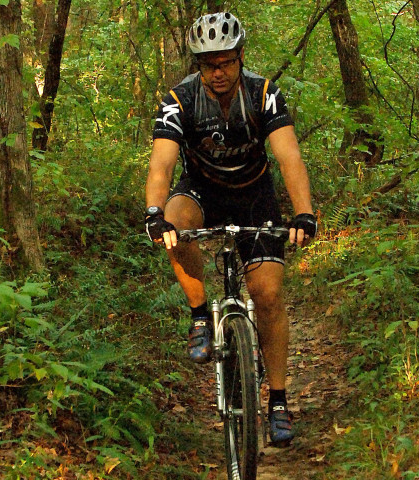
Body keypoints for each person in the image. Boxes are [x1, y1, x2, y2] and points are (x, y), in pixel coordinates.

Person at [144, 12, 316, 447]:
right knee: (176, 225)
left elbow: (289, 157)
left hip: (254, 195)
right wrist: (153, 211)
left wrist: (303, 213)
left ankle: (277, 402)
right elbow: (162, 162)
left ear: (240, 57)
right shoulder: (179, 100)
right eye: (207, 65)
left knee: (269, 294)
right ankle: (201, 315)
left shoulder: (263, 93)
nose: (217, 73)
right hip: (201, 190)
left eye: (225, 63)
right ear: (197, 65)